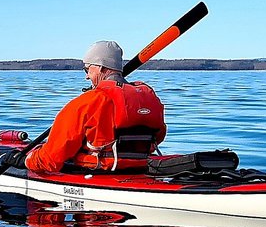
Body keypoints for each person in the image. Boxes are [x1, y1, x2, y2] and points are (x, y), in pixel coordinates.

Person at [24, 40, 166, 175]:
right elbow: (158, 136)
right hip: (140, 168)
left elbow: (50, 159)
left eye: (87, 69)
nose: (87, 77)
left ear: (100, 67)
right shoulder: (150, 97)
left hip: (100, 171)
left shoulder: (87, 102)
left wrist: (26, 160)